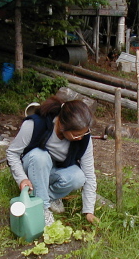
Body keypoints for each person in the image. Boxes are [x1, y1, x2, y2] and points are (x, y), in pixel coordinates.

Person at [6, 96, 98, 226]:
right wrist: (21, 178)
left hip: (53, 172)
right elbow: (12, 153)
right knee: (40, 156)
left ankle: (43, 196)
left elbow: (89, 174)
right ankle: (42, 208)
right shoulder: (35, 124)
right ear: (61, 125)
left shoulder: (84, 139)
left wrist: (89, 211)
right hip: (33, 167)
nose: (80, 137)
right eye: (76, 134)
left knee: (79, 177)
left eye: (84, 133)